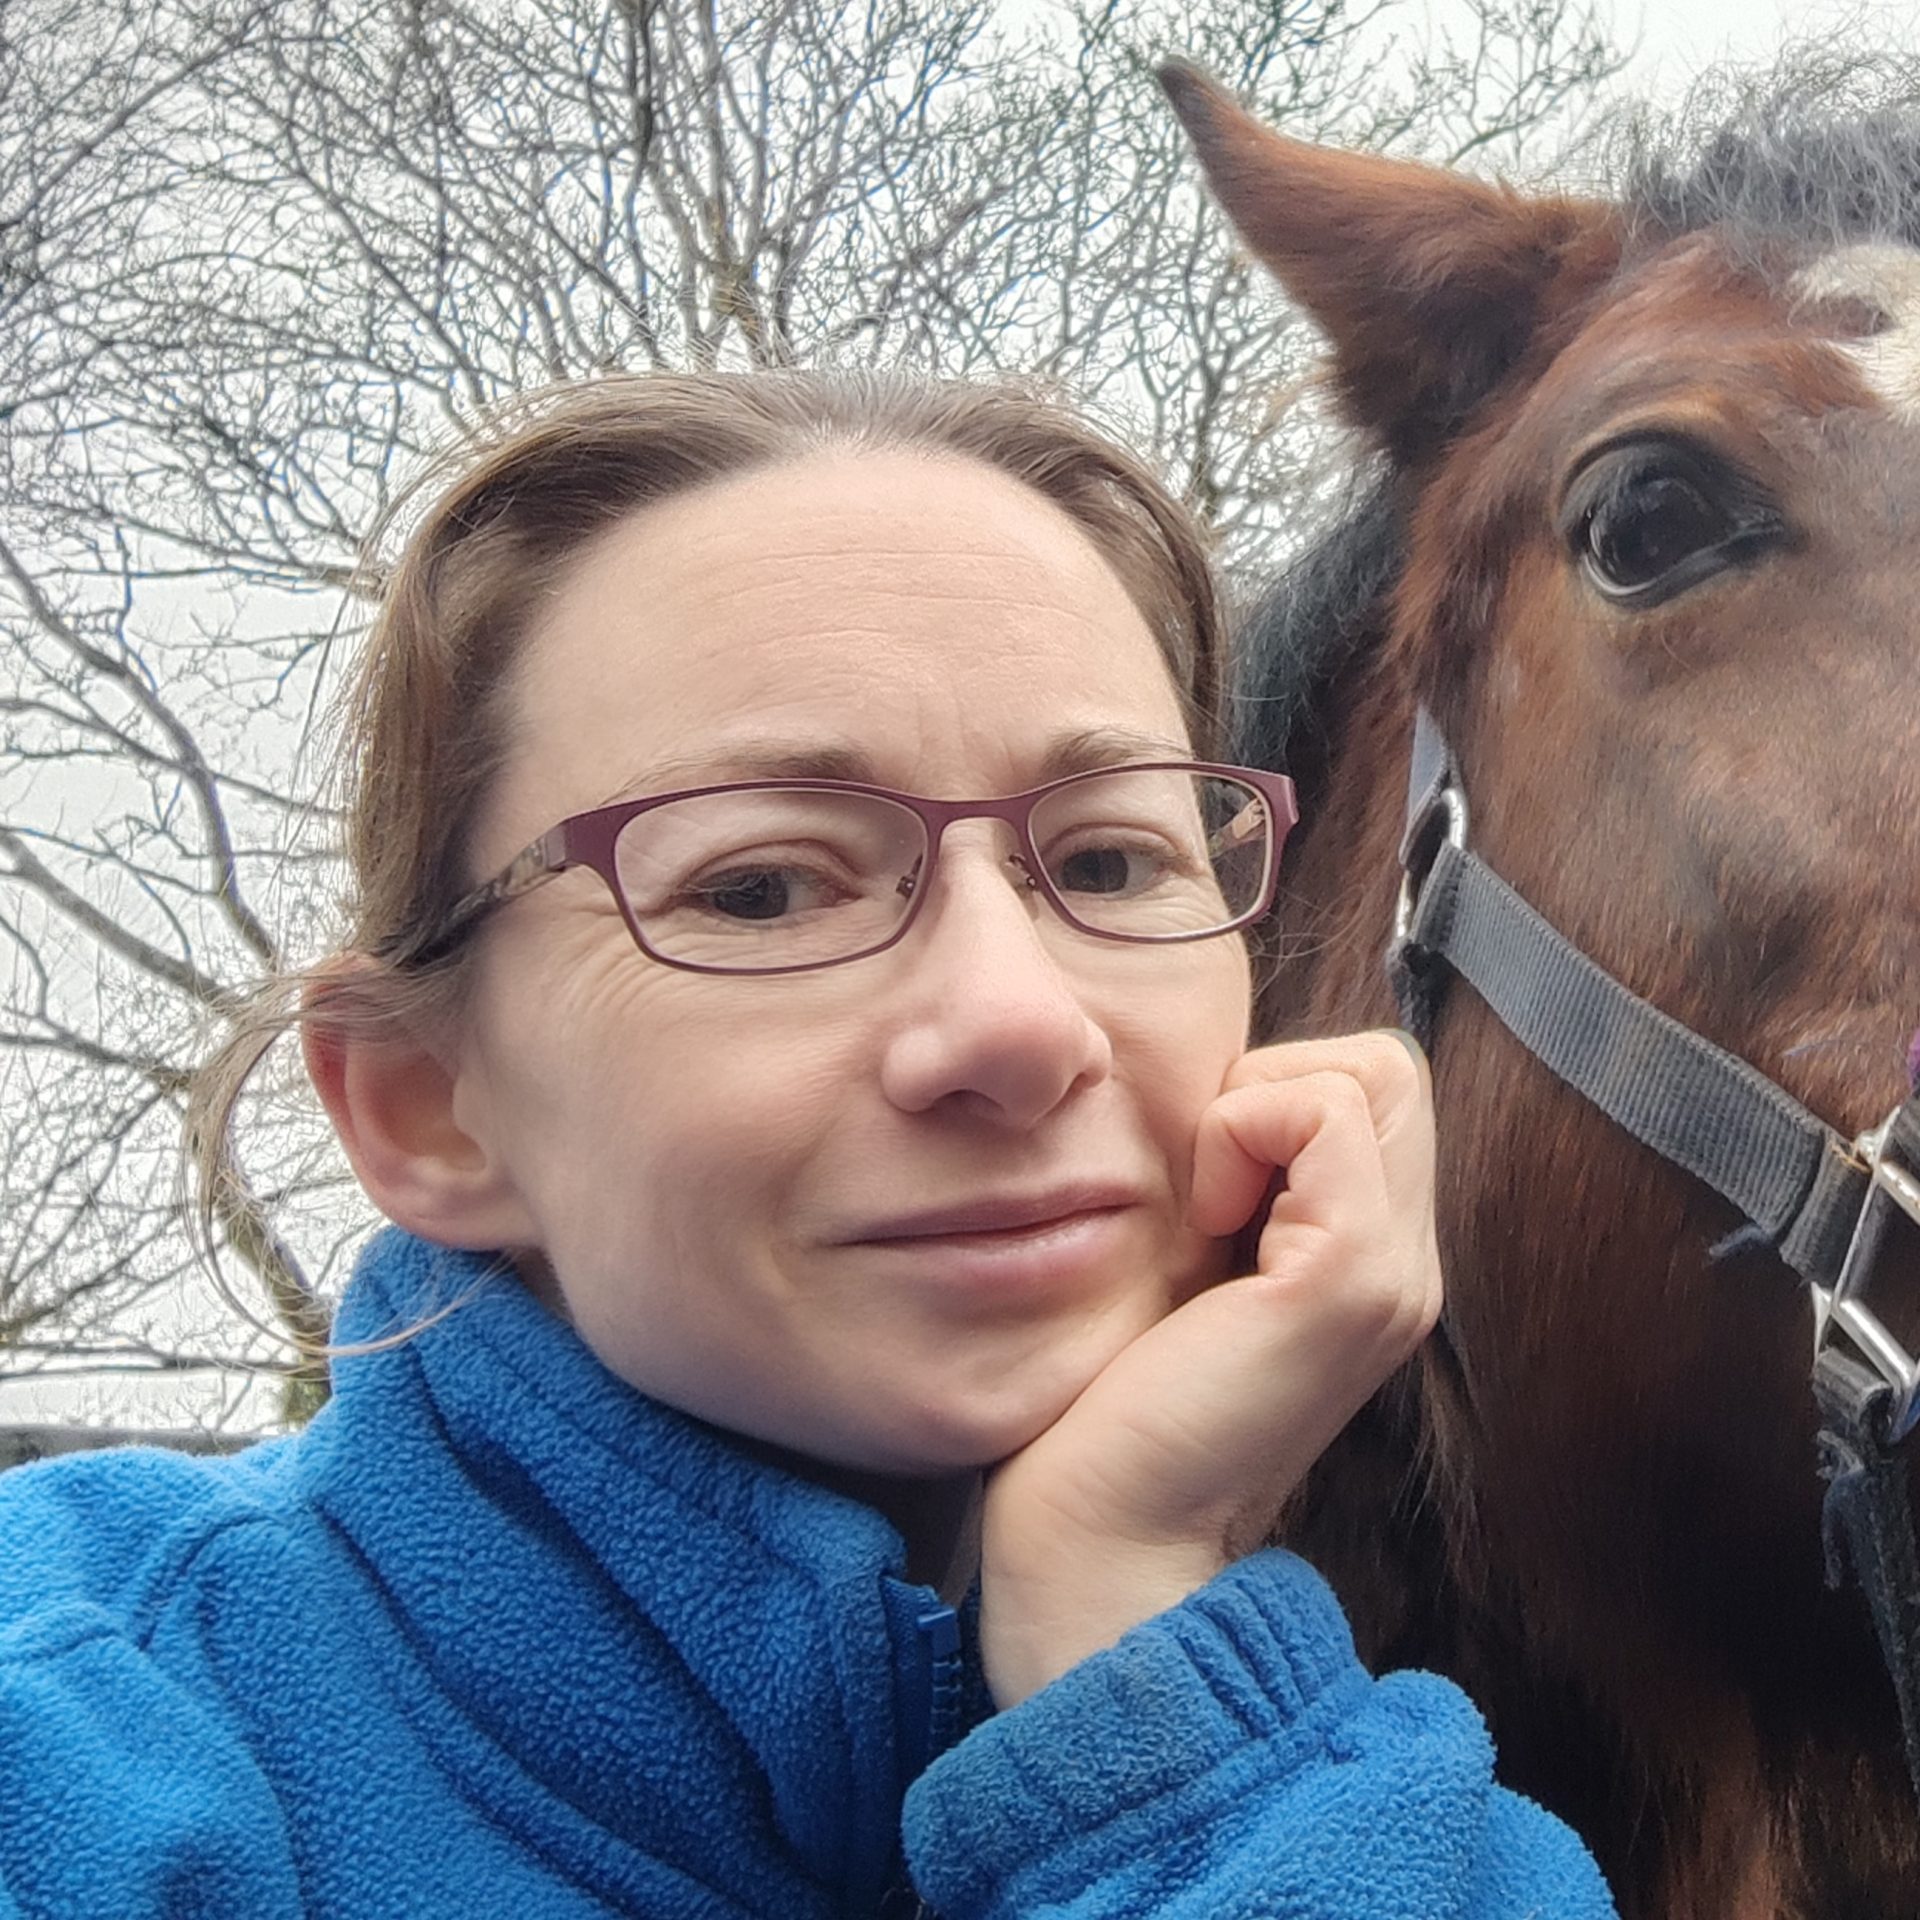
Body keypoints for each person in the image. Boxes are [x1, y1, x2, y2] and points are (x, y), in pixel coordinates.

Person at [0, 372, 1614, 1919]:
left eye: (1113, 862)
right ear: (427, 1106)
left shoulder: (1448, 1762)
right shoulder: (81, 1751)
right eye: (763, 887)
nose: (1020, 1023)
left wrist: (1145, 1652)